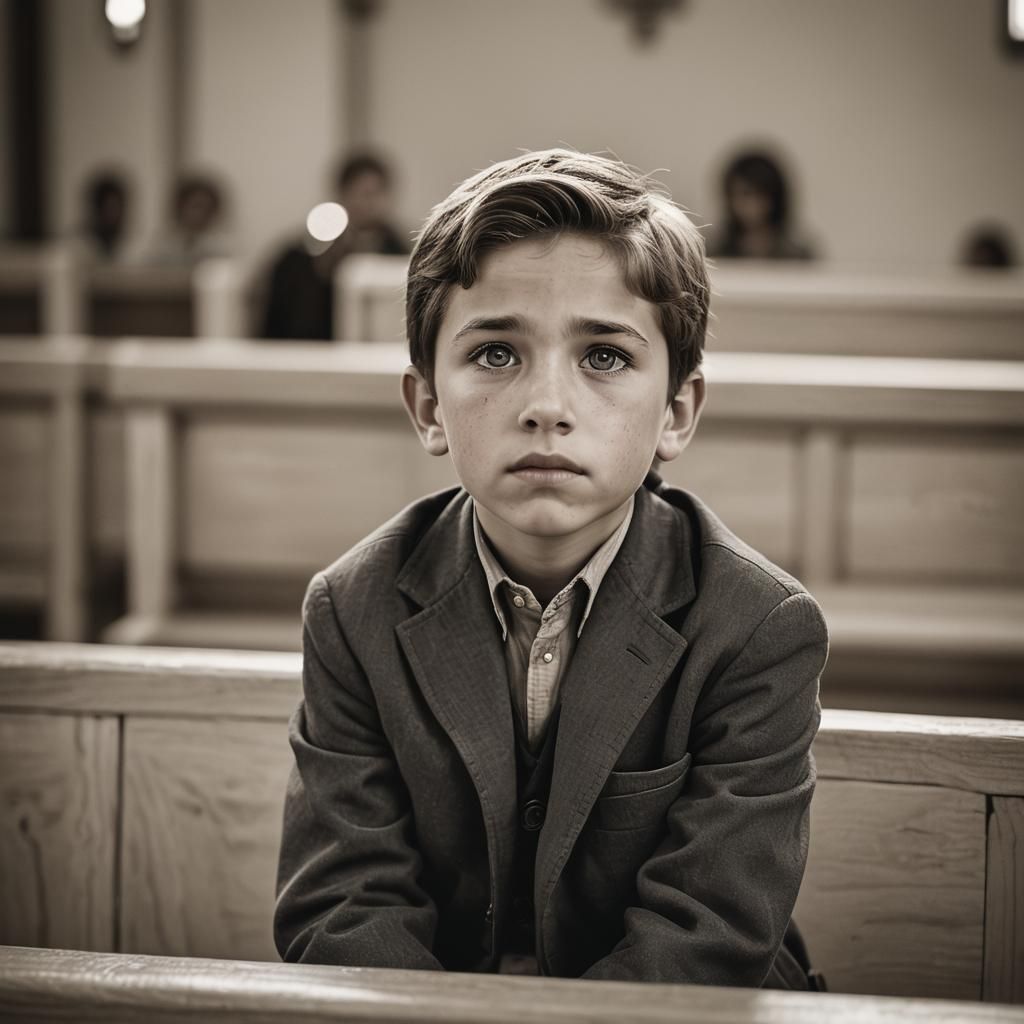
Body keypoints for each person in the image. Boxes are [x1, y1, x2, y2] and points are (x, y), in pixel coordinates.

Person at [274, 149, 829, 988]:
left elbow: (708, 932)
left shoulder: (756, 627)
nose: (547, 407)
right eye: (496, 354)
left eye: (604, 357)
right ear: (428, 406)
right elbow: (345, 907)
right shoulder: (354, 610)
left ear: (677, 411)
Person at [260, 151, 409, 340]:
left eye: (377, 193)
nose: (370, 203)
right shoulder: (302, 254)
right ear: (342, 194)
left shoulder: (403, 253)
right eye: (362, 193)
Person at [706, 149, 814, 260]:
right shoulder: (715, 251)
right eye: (742, 194)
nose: (751, 203)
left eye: (758, 194)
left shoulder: (797, 255)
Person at [150, 173, 230, 265]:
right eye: (196, 206)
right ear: (181, 207)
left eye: (207, 208)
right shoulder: (162, 240)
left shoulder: (222, 244)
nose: (201, 213)